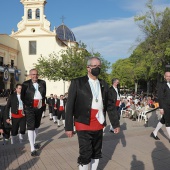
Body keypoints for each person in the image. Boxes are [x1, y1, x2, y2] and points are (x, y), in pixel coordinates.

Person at [65, 57, 120, 170]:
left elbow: (110, 105)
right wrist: (68, 127)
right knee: (85, 152)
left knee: (96, 152)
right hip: (83, 121)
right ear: (88, 68)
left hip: (98, 122)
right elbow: (69, 106)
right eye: (94, 66)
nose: (97, 68)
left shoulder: (103, 84)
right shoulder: (77, 82)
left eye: (99, 66)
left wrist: (115, 123)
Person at [21, 68, 46, 156]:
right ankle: (32, 148)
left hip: (39, 107)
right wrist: (27, 105)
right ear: (30, 75)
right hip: (30, 108)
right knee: (31, 126)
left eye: (36, 74)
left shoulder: (42, 82)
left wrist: (42, 105)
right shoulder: (25, 84)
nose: (35, 76)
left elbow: (44, 94)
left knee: (37, 125)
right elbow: (22, 97)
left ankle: (34, 142)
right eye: (33, 74)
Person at [150, 71, 170, 141]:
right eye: (167, 76)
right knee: (168, 121)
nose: (168, 77)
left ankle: (154, 132)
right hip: (165, 106)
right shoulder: (161, 84)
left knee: (163, 120)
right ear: (164, 77)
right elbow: (160, 97)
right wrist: (161, 108)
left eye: (169, 76)